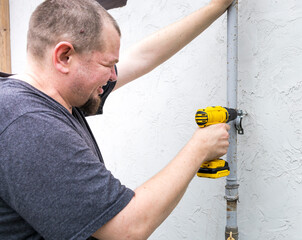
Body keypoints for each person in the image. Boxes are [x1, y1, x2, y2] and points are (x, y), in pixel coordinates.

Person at [0, 0, 232, 239]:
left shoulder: (49, 96)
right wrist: (199, 148)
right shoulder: (28, 124)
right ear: (65, 57)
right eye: (108, 65)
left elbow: (143, 57)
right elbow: (127, 229)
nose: (113, 76)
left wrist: (215, 7)